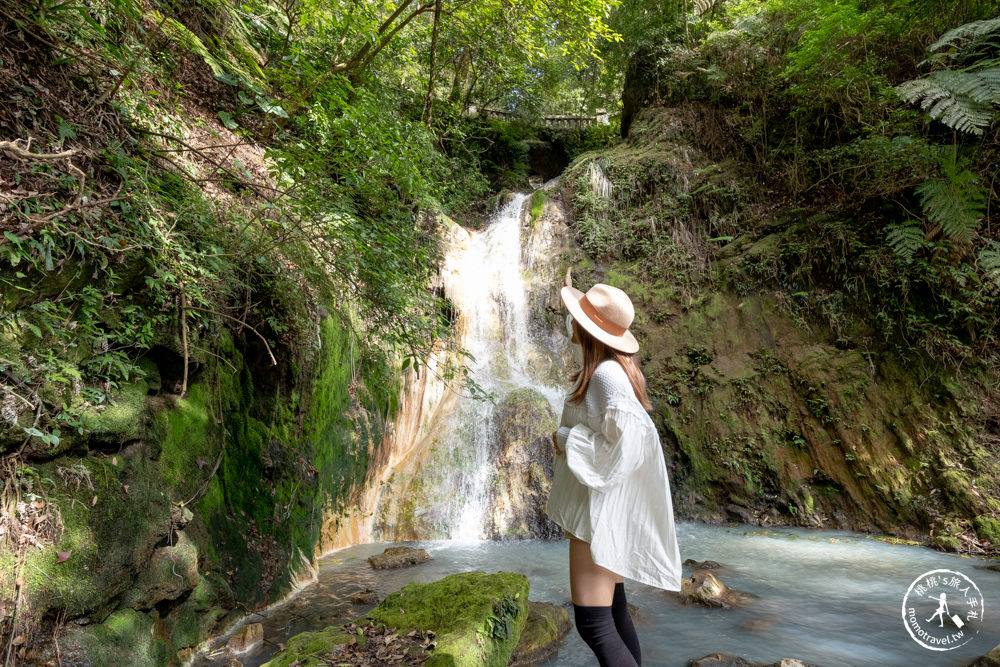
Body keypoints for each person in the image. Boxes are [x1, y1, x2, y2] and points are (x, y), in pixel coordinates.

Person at [544, 281, 682, 667]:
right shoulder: (612, 370)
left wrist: (567, 437)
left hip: (596, 514)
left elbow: (630, 440)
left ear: (588, 329)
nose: (570, 321)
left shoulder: (606, 375)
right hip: (600, 509)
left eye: (576, 317)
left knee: (595, 625)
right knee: (615, 616)